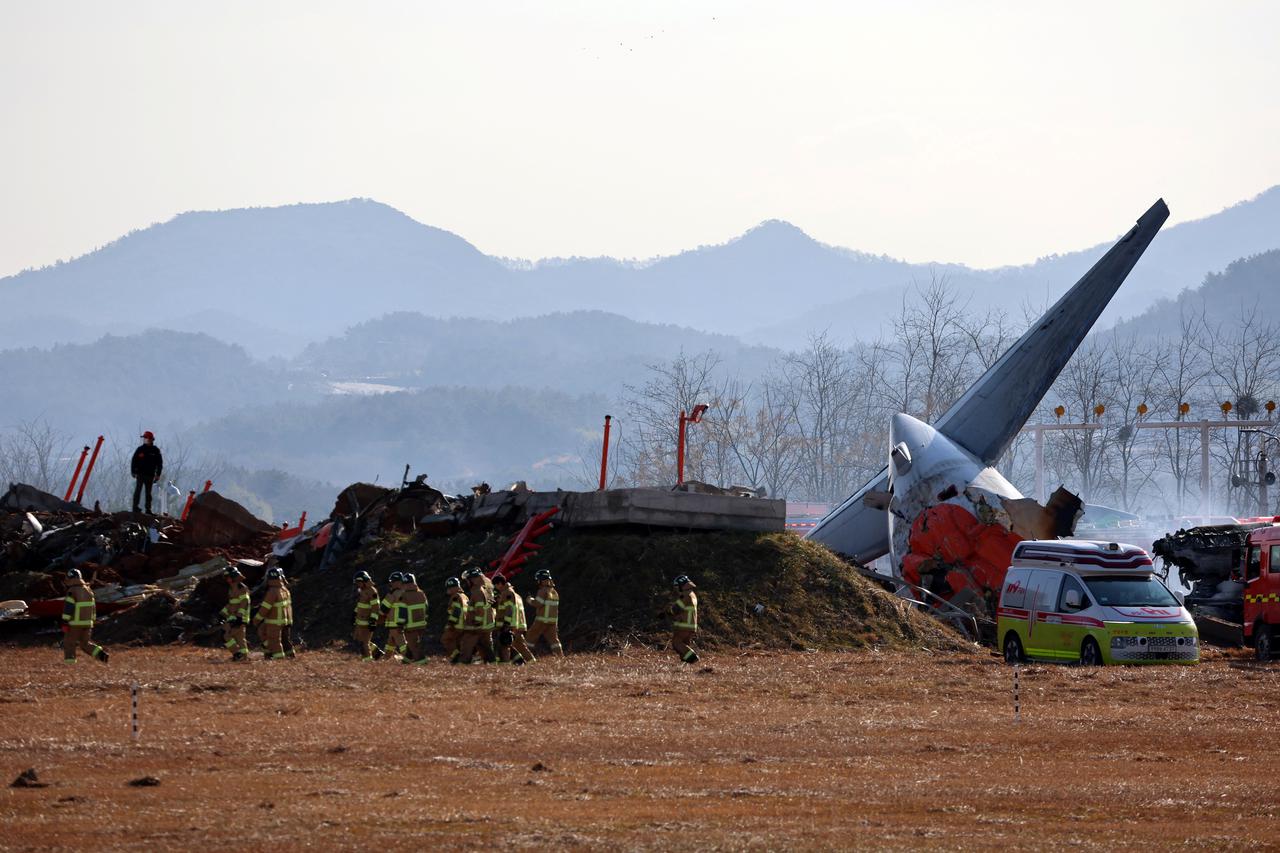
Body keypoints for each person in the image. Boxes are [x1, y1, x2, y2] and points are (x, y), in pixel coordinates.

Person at [61, 568, 108, 664]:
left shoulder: (72, 591)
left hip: (75, 623)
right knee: (85, 644)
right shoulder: (88, 590)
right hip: (88, 623)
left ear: (71, 578)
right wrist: (93, 619)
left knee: (69, 643)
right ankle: (102, 656)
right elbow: (93, 607)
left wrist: (65, 621)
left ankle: (70, 664)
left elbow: (68, 607)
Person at [458, 569, 496, 664]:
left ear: (473, 579)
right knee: (486, 646)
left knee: (466, 645)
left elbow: (480, 609)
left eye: (468, 580)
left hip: (476, 626)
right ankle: (492, 664)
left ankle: (463, 664)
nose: (467, 583)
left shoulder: (477, 592)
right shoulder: (485, 589)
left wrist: (477, 622)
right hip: (486, 625)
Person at [493, 574, 532, 665]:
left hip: (511, 626)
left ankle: (505, 666)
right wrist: (496, 605)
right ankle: (531, 663)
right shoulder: (514, 594)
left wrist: (506, 624)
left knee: (505, 646)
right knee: (519, 646)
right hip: (517, 625)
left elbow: (509, 610)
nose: (495, 587)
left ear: (499, 583)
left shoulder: (507, 593)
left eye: (495, 585)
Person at [252, 567, 290, 660]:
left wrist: (256, 619)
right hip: (282, 620)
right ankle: (270, 654)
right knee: (263, 631)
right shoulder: (284, 590)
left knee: (274, 641)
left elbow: (265, 608)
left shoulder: (273, 591)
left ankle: (279, 659)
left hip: (274, 621)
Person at [524, 569, 563, 657]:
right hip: (552, 622)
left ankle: (525, 657)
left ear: (541, 580)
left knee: (529, 638)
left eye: (538, 580)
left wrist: (530, 600)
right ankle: (560, 657)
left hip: (541, 620)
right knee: (554, 641)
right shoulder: (554, 592)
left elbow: (538, 604)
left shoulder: (542, 591)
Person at [220, 567, 251, 661]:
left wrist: (239, 617)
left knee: (226, 635)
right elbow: (232, 603)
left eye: (228, 577)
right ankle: (244, 657)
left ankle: (237, 654)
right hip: (234, 616)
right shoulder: (232, 588)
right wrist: (223, 612)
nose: (227, 580)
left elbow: (244, 602)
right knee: (240, 638)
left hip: (239, 617)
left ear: (233, 576)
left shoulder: (241, 588)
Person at [130, 431, 164, 514]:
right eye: (144, 438)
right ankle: (135, 508)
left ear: (151, 439)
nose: (145, 440)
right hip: (140, 474)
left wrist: (158, 474)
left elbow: (159, 463)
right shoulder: (140, 449)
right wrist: (133, 471)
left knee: (148, 493)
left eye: (146, 438)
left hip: (150, 475)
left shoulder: (155, 451)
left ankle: (148, 509)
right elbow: (134, 461)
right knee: (138, 491)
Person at [352, 571, 383, 661]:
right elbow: (361, 605)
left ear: (364, 581)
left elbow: (376, 608)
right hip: (360, 621)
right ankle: (377, 653)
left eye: (358, 582)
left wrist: (373, 620)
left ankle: (368, 661)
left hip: (367, 621)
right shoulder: (363, 591)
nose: (357, 584)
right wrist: (354, 613)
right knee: (359, 639)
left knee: (364, 643)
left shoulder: (372, 591)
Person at [399, 573, 429, 665]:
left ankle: (422, 663)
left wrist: (400, 624)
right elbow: (426, 608)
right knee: (413, 644)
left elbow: (402, 612)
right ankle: (406, 662)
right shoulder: (421, 593)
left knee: (414, 646)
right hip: (421, 625)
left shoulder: (404, 596)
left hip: (410, 626)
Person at [670, 574, 700, 664]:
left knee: (676, 643)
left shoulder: (685, 596)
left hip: (685, 625)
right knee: (684, 645)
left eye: (676, 587)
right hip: (691, 625)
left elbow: (675, 609)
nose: (676, 589)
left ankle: (693, 658)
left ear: (681, 586)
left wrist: (666, 612)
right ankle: (687, 663)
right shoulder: (692, 594)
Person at [441, 577, 469, 664]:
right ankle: (459, 660)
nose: (448, 590)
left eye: (450, 587)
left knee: (445, 639)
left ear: (454, 587)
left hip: (457, 625)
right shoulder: (465, 597)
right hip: (464, 625)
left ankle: (455, 656)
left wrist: (451, 623)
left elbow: (456, 611)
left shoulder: (455, 597)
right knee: (457, 643)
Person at [379, 572, 407, 660]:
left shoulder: (393, 594)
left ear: (398, 582)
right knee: (391, 643)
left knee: (401, 643)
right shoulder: (405, 592)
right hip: (401, 623)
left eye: (393, 581)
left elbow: (383, 609)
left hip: (395, 623)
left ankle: (409, 659)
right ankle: (385, 658)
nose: (391, 583)